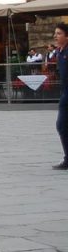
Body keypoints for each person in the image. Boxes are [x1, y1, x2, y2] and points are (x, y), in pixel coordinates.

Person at [52, 24, 68, 170]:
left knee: (63, 125)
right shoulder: (59, 51)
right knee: (62, 126)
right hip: (65, 93)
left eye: (59, 33)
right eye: (55, 33)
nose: (56, 36)